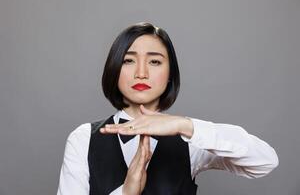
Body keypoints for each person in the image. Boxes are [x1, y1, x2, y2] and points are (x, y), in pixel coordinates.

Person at [57, 22, 278, 195]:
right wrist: (125, 192)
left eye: (154, 62)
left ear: (170, 73)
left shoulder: (190, 141)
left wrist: (184, 125)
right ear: (114, 69)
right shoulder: (83, 139)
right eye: (128, 61)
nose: (141, 73)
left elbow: (265, 161)